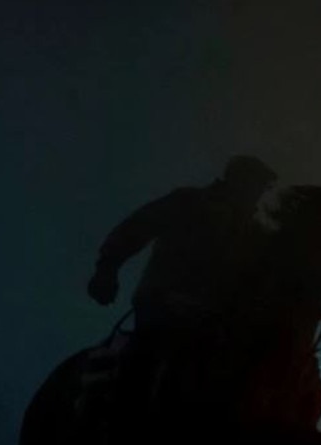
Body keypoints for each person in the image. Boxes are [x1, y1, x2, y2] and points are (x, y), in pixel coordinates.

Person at [86, 155, 278, 414]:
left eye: (261, 187)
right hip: (164, 305)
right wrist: (107, 268)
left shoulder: (252, 232)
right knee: (144, 369)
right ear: (238, 181)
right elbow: (137, 228)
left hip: (215, 320)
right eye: (256, 184)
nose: (257, 193)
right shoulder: (189, 202)